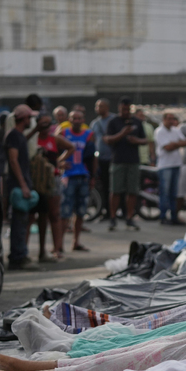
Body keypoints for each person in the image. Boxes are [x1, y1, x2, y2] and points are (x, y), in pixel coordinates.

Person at [30, 121, 73, 262]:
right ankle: (39, 250)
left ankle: (57, 248)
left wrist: (59, 162)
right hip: (35, 180)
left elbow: (71, 147)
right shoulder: (32, 138)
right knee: (35, 216)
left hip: (52, 180)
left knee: (54, 214)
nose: (45, 129)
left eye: (47, 126)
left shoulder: (54, 139)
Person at [102, 97, 146, 231]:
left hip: (133, 161)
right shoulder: (113, 122)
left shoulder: (137, 122)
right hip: (118, 161)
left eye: (128, 109)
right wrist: (122, 133)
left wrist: (136, 140)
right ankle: (113, 218)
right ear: (119, 108)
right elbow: (107, 139)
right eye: (123, 109)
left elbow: (145, 139)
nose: (126, 111)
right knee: (115, 191)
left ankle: (129, 218)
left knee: (132, 191)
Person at [5, 103, 38, 270]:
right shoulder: (13, 136)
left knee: (22, 223)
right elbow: (13, 160)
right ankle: (18, 256)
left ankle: (20, 254)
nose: (31, 120)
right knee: (19, 223)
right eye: (29, 117)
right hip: (18, 186)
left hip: (22, 185)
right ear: (24, 118)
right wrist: (23, 185)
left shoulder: (19, 136)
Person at [59, 110, 97, 255]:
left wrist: (93, 176)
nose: (76, 120)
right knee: (65, 211)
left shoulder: (89, 134)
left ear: (83, 120)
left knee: (81, 211)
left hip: (83, 175)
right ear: (69, 120)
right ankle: (59, 244)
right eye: (74, 118)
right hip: (68, 176)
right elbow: (55, 152)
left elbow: (93, 157)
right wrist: (59, 163)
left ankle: (76, 242)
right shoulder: (63, 133)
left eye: (79, 118)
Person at [154, 110, 186, 224]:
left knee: (174, 193)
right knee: (165, 192)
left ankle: (174, 216)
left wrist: (174, 144)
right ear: (164, 120)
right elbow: (167, 148)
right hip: (165, 166)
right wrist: (177, 144)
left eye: (172, 119)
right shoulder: (159, 131)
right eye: (169, 119)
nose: (171, 121)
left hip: (176, 164)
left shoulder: (176, 130)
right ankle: (163, 216)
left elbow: (185, 142)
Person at [90, 98, 116, 222]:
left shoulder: (114, 120)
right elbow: (92, 140)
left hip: (114, 158)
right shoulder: (95, 123)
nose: (98, 108)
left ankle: (116, 212)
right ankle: (106, 211)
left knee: (115, 187)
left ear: (107, 107)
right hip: (101, 159)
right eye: (97, 106)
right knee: (104, 186)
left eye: (100, 106)